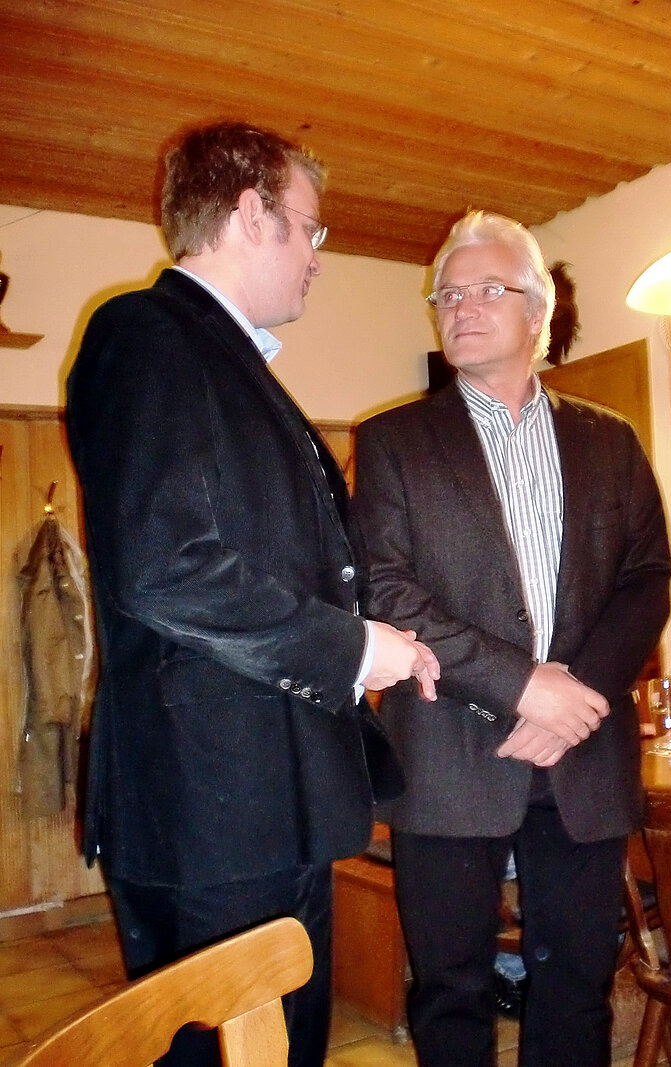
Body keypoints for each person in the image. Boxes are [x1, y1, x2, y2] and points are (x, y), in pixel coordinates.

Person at [66, 121, 439, 1067]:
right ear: (248, 214)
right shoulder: (146, 334)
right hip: (209, 816)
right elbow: (164, 567)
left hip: (263, 806)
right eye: (310, 228)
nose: (319, 254)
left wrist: (368, 633)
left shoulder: (222, 359)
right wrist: (354, 647)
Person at [351, 211, 671, 1066]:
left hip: (584, 753)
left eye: (487, 289)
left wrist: (576, 698)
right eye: (447, 295)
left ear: (539, 310)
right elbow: (386, 589)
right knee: (449, 989)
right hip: (445, 754)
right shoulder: (392, 441)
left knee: (577, 986)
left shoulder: (610, 440)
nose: (461, 307)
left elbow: (647, 577)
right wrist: (526, 687)